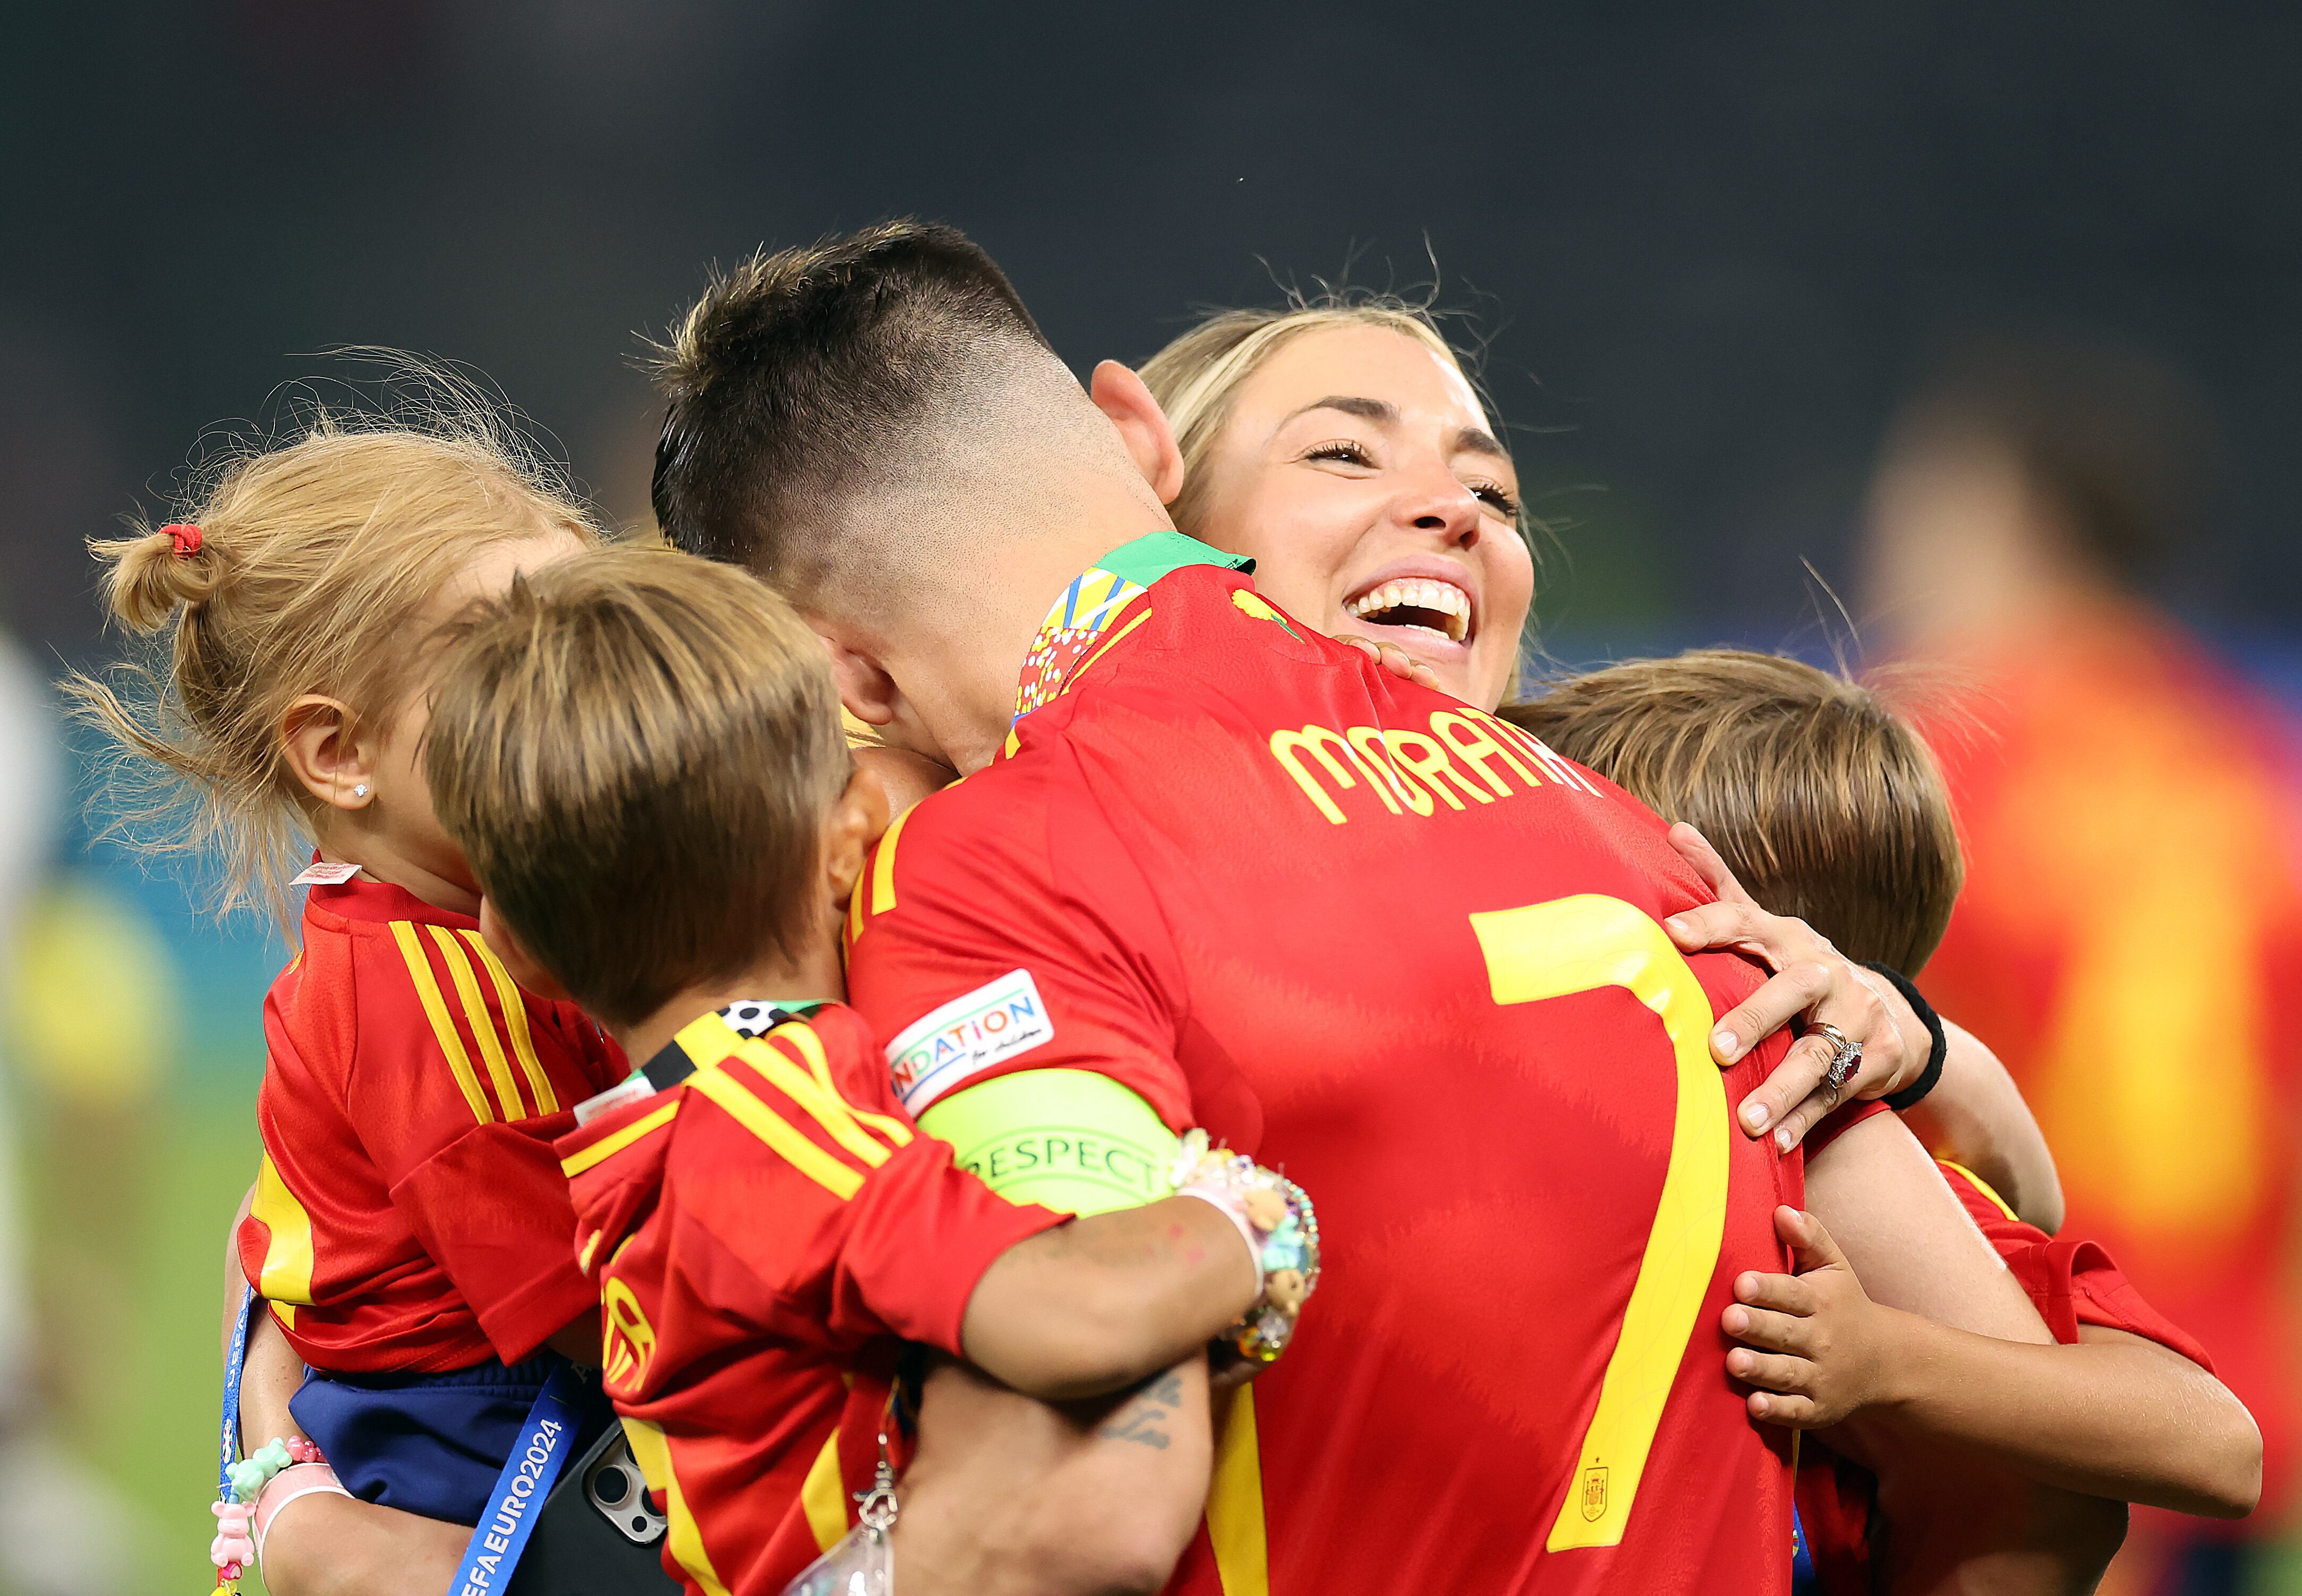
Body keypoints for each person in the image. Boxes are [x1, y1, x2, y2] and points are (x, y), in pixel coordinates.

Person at [644, 220, 2034, 1596]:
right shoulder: (1625, 830)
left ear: (843, 678)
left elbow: (1087, 1515)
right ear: (1135, 430)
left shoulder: (996, 862)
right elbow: (2028, 1448)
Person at [420, 544, 1324, 1596]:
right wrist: (1253, 1222)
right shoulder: (768, 1120)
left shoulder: (662, 1133)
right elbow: (1071, 1317)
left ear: (513, 944)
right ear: (856, 832)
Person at [1511, 648, 2261, 1592]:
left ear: (1745, 943)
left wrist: (1885, 1359)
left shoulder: (1894, 1189)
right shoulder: (1588, 1153)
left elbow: (2221, 1447)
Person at [64, 416, 630, 1563]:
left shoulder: (430, 920)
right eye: (506, 662)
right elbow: (583, 1311)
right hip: (476, 1450)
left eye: (591, 632)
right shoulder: (433, 982)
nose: (581, 694)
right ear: (338, 754)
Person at [1861, 340, 2302, 1596]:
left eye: (1918, 509)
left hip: (2041, 1372)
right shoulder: (2244, 756)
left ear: (2008, 520)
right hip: (2228, 1393)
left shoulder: (1946, 753)